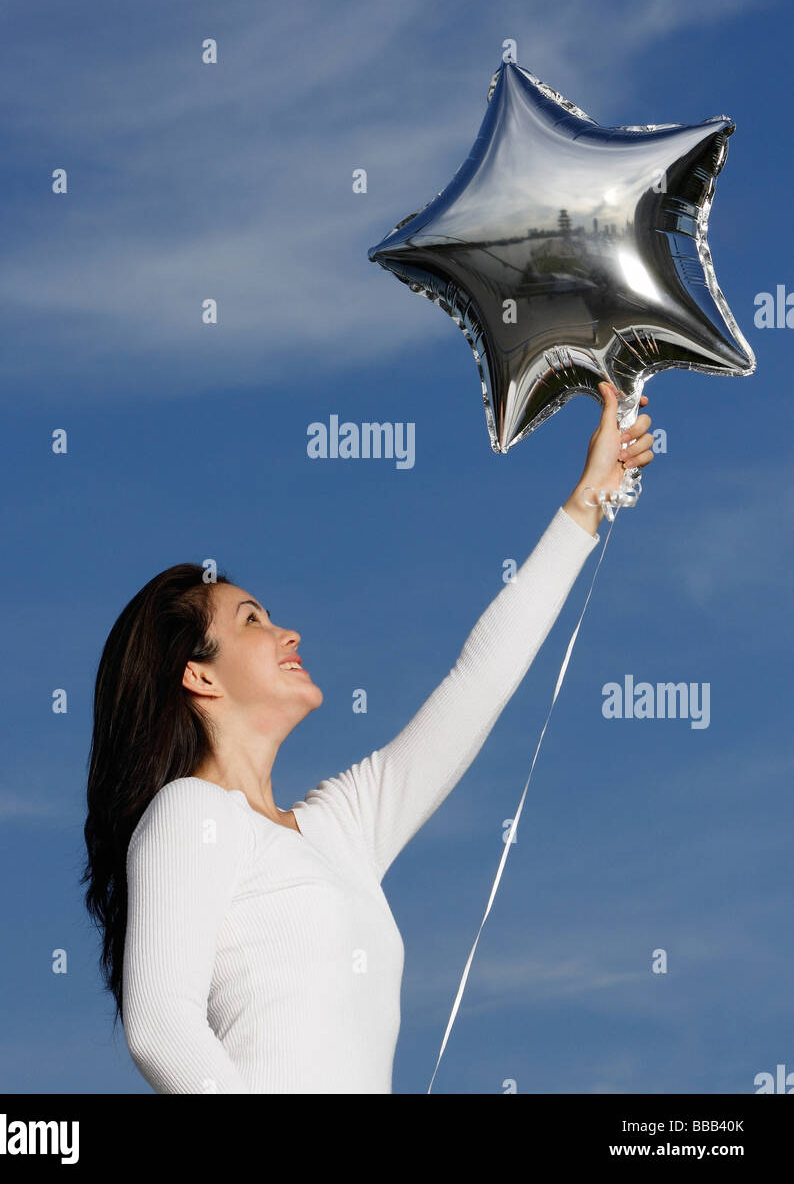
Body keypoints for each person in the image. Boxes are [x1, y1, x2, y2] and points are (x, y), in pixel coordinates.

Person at [82, 380, 653, 1093]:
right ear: (199, 678)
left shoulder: (338, 829)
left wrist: (588, 501)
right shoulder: (189, 816)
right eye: (252, 621)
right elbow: (161, 1027)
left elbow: (478, 683)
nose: (287, 631)